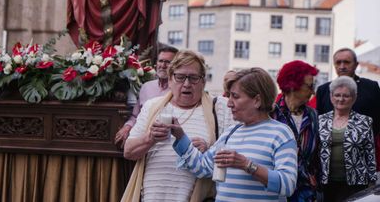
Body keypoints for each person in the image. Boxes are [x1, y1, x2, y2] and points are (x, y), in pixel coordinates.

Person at [122, 50, 235, 201]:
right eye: (180, 77)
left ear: (203, 81)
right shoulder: (153, 106)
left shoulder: (219, 108)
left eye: (194, 78)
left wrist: (209, 150)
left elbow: (235, 153)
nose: (187, 84)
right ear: (170, 79)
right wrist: (150, 138)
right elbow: (128, 152)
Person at [171, 68, 298, 201]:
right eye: (229, 96)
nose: (229, 103)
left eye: (235, 97)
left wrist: (246, 165)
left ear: (257, 100)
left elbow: (287, 185)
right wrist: (180, 136)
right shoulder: (231, 132)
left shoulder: (281, 133)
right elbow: (202, 167)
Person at [316, 48, 380, 170]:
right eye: (338, 62)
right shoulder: (323, 90)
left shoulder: (371, 87)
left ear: (356, 65)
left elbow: (378, 121)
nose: (342, 66)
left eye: (346, 62)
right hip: (329, 164)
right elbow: (320, 124)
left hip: (362, 161)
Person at [318, 76, 377, 201]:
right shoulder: (320, 120)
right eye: (337, 95)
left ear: (354, 97)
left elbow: (370, 154)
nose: (341, 99)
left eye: (346, 95)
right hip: (325, 182)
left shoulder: (365, 121)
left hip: (355, 182)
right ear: (331, 96)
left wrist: (372, 182)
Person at [271, 60, 320, 201]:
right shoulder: (272, 114)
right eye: (310, 86)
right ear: (292, 86)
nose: (313, 91)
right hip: (277, 190)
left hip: (305, 192)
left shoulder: (313, 115)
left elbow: (315, 156)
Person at [114, 46, 178, 147]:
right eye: (160, 61)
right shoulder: (146, 87)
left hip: (166, 144)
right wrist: (127, 127)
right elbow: (135, 116)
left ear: (177, 66)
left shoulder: (179, 90)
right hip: (143, 143)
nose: (163, 65)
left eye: (168, 62)